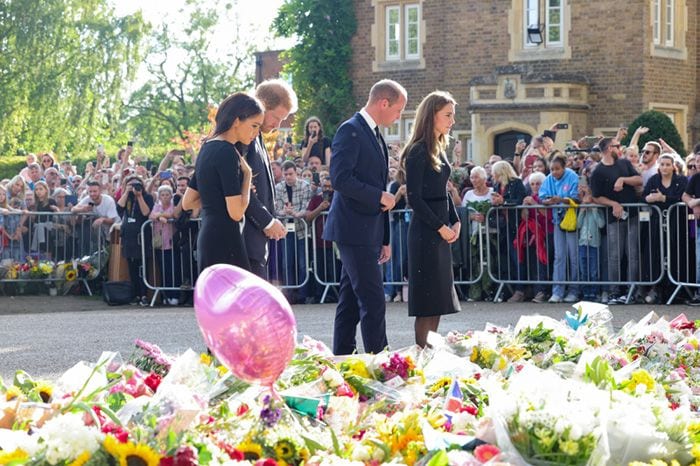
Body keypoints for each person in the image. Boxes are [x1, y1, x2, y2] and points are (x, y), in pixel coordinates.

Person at [323, 79, 407, 355]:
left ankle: (343, 358)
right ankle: (380, 362)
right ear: (384, 103)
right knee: (372, 300)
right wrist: (377, 196)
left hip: (367, 229)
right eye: (398, 110)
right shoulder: (350, 130)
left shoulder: (374, 134)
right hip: (352, 228)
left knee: (349, 303)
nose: (398, 117)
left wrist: (383, 237)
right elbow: (340, 179)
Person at [401, 91, 461, 347]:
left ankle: (428, 354)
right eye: (447, 115)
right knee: (426, 303)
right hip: (426, 233)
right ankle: (421, 356)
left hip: (439, 230)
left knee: (437, 301)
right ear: (431, 115)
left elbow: (442, 191)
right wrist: (440, 227)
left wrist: (455, 220)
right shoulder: (417, 151)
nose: (452, 121)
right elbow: (414, 198)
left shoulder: (439, 149)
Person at [183, 92, 262, 273]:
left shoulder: (207, 147)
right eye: (254, 125)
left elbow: (188, 202)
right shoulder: (227, 152)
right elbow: (236, 212)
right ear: (236, 121)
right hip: (227, 240)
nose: (256, 133)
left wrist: (216, 200)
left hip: (208, 237)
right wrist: (247, 176)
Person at [243, 79, 297, 279]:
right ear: (262, 105)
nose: (278, 125)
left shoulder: (257, 138)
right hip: (245, 240)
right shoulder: (245, 137)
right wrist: (266, 221)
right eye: (277, 117)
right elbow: (241, 188)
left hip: (256, 241)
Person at [590, 137, 643, 305]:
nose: (619, 148)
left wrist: (623, 180)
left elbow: (639, 179)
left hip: (632, 215)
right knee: (615, 256)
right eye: (616, 146)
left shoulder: (624, 163)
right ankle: (614, 292)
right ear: (607, 149)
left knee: (633, 254)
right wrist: (613, 204)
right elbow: (596, 197)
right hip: (614, 219)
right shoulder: (598, 171)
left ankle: (632, 290)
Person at [644, 154, 688, 303]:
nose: (664, 167)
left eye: (667, 164)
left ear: (673, 166)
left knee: (676, 254)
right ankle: (659, 289)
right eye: (662, 164)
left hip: (677, 223)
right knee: (658, 254)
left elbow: (682, 198)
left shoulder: (681, 180)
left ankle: (677, 290)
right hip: (658, 224)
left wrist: (664, 199)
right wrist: (648, 199)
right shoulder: (653, 180)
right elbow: (644, 196)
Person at [539, 153, 580, 303]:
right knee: (559, 256)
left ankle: (574, 290)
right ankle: (557, 291)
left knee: (574, 257)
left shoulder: (572, 177)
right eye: (551, 169)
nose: (554, 172)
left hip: (571, 221)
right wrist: (547, 201)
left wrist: (561, 199)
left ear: (564, 167)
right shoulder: (549, 178)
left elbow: (577, 198)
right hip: (557, 220)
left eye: (557, 169)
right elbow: (542, 196)